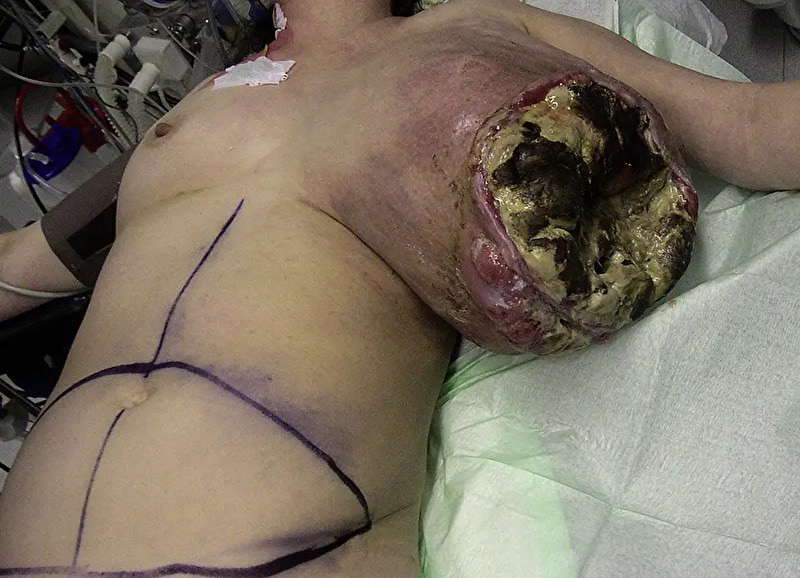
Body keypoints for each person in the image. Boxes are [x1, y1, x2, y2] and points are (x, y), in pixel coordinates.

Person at [0, 0, 798, 574]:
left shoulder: (480, 31)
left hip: (296, 549)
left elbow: (749, 125)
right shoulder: (188, 115)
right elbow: (15, 272)